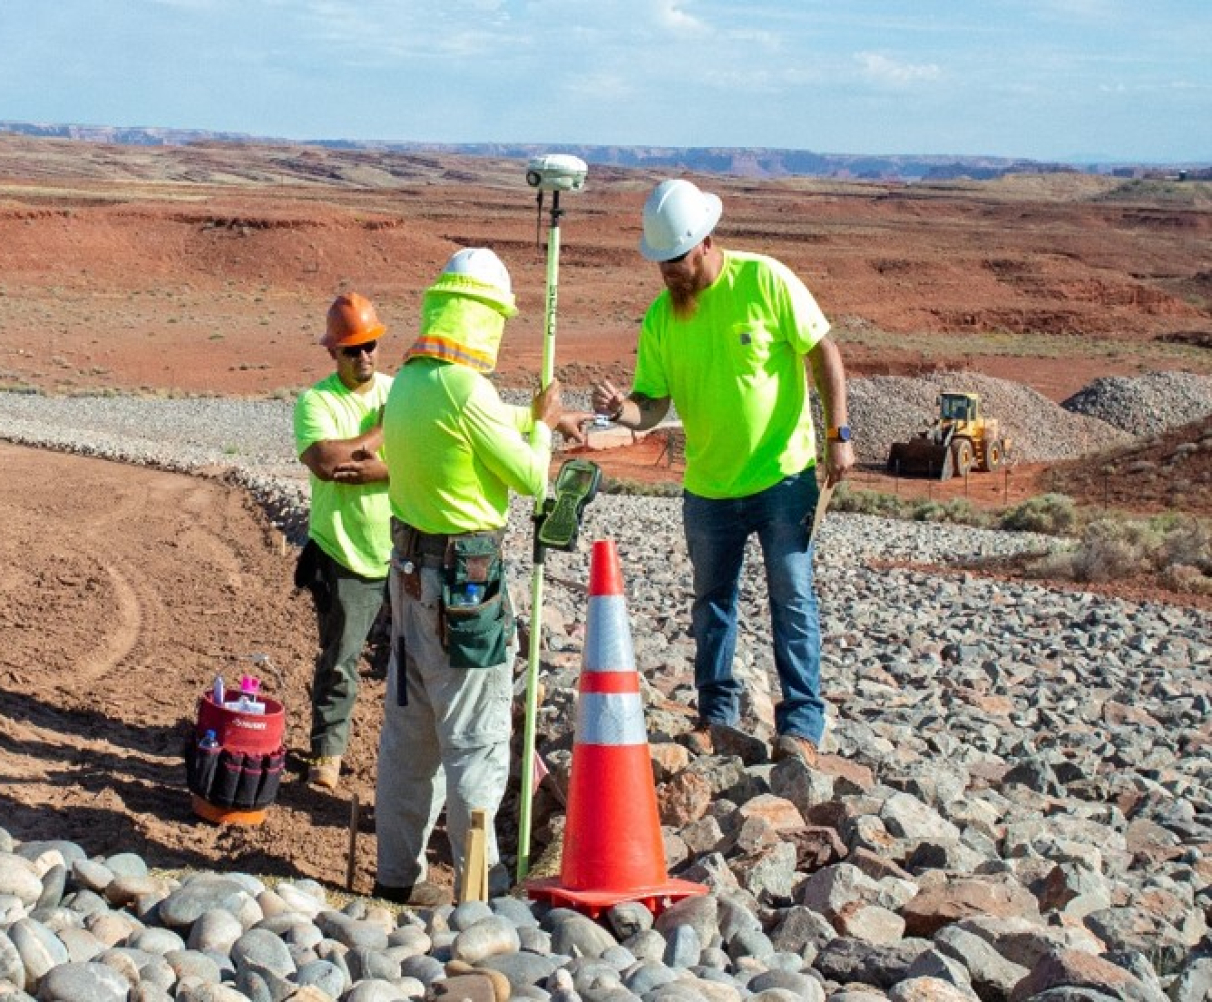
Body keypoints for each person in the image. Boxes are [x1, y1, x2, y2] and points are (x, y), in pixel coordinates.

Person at [592, 178, 854, 768]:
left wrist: (838, 434)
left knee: (791, 594)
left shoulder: (765, 280)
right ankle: (717, 717)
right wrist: (622, 412)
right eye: (660, 264)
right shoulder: (662, 318)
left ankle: (803, 727)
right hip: (708, 488)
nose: (669, 274)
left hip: (782, 480)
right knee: (713, 602)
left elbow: (823, 353)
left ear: (706, 242)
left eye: (677, 261)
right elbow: (652, 405)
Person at [372, 247, 582, 907]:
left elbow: (471, 431)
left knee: (411, 739)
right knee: (475, 742)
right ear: (483, 317)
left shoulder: (409, 382)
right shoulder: (467, 390)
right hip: (465, 589)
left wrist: (526, 422)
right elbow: (530, 479)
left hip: (406, 582)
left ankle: (396, 880)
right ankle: (478, 900)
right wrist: (543, 428)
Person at [292, 292, 393, 792]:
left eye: (370, 344)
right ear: (333, 353)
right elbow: (330, 464)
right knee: (340, 660)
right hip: (344, 555)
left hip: (403, 551)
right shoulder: (317, 401)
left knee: (415, 666)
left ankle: (401, 765)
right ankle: (327, 754)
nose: (365, 356)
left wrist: (381, 470)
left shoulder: (401, 391)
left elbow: (427, 461)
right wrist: (380, 432)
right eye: (352, 349)